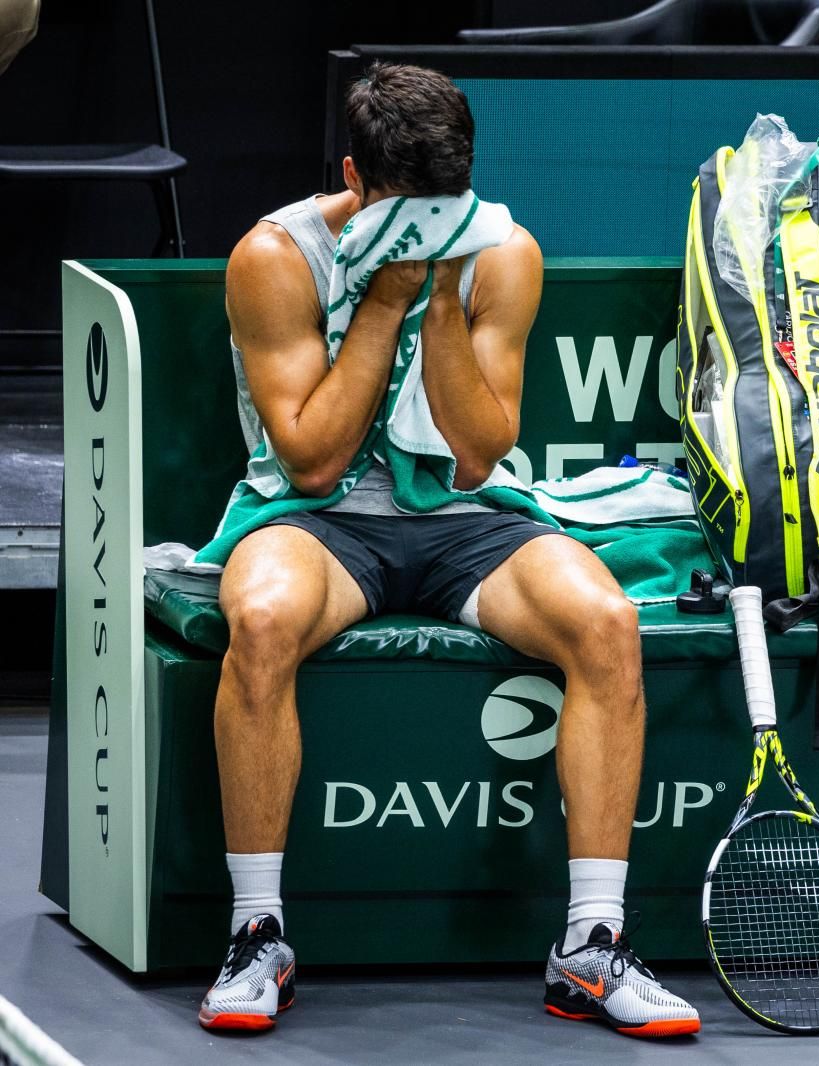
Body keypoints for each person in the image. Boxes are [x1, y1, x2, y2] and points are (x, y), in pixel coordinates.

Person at [197, 62, 698, 1038]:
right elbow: (308, 460)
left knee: (604, 621)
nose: (427, 230)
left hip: (470, 520)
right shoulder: (274, 255)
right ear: (352, 172)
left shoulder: (504, 253)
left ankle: (591, 946)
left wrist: (435, 305)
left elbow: (478, 452)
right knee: (256, 620)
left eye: (445, 208)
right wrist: (382, 302)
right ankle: (256, 934)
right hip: (318, 521)